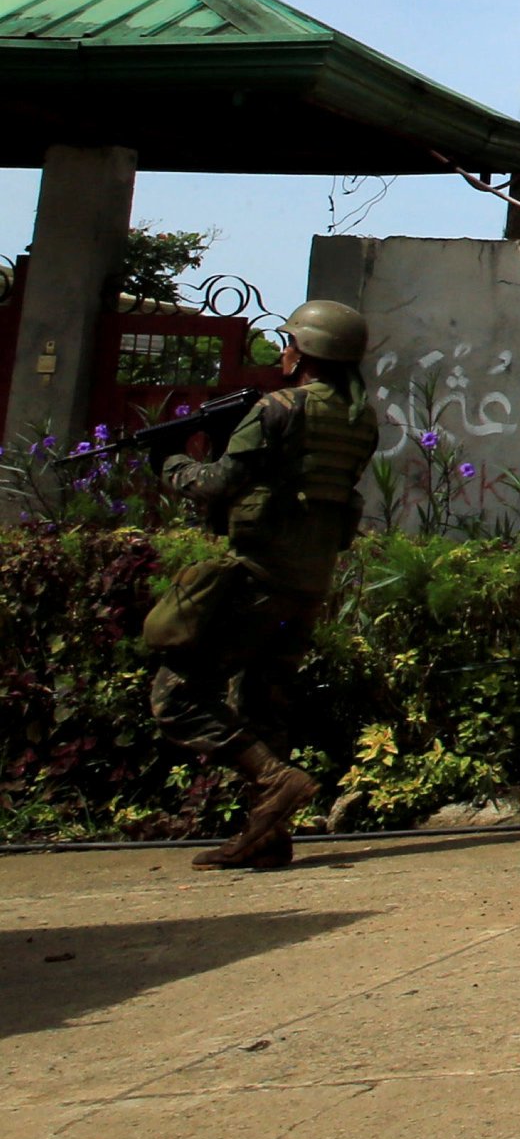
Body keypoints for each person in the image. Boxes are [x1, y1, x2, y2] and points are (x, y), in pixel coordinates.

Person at [143, 297, 381, 871]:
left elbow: (217, 486)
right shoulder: (358, 417)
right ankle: (268, 837)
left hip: (258, 575)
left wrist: (170, 463)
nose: (283, 349)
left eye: (290, 340)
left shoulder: (278, 408)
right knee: (261, 703)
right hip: (308, 579)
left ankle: (276, 781)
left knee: (175, 697)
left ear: (307, 352)